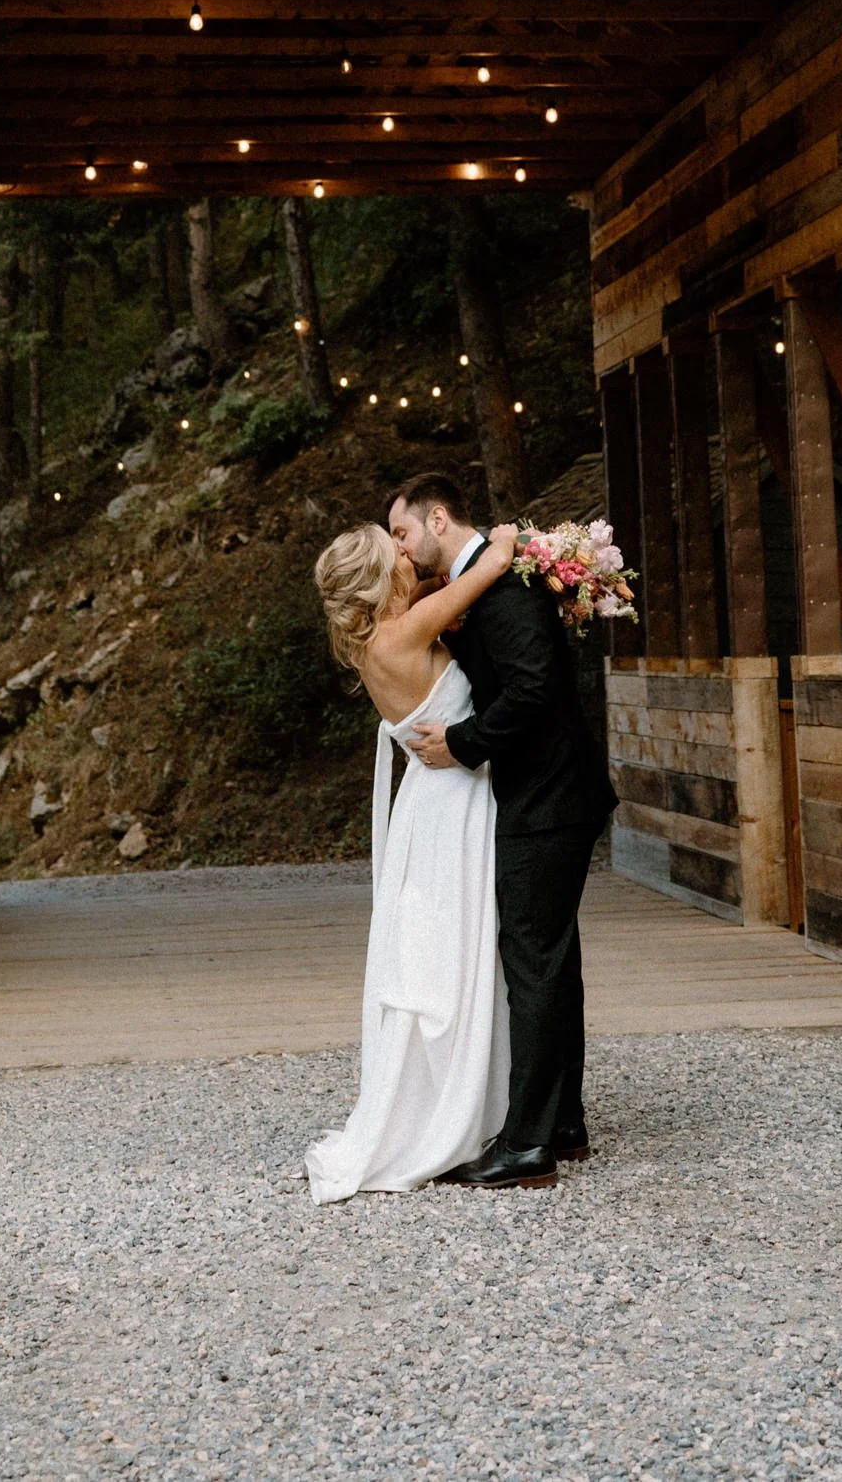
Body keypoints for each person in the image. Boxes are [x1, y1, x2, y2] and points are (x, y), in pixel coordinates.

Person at [388, 471, 618, 1192]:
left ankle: (526, 1146)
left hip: (545, 800)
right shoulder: (483, 578)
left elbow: (533, 687)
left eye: (401, 532)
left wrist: (460, 743)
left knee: (533, 963)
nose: (400, 548)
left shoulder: (506, 586)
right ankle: (562, 1121)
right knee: (549, 960)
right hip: (544, 796)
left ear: (436, 517)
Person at [304, 518, 520, 1202]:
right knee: (458, 945)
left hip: (428, 802)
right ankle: (456, 1109)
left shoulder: (378, 640)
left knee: (443, 947)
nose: (407, 552)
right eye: (392, 549)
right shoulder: (407, 630)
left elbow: (433, 588)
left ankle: (450, 1095)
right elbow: (487, 569)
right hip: (454, 799)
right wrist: (517, 541)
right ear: (382, 575)